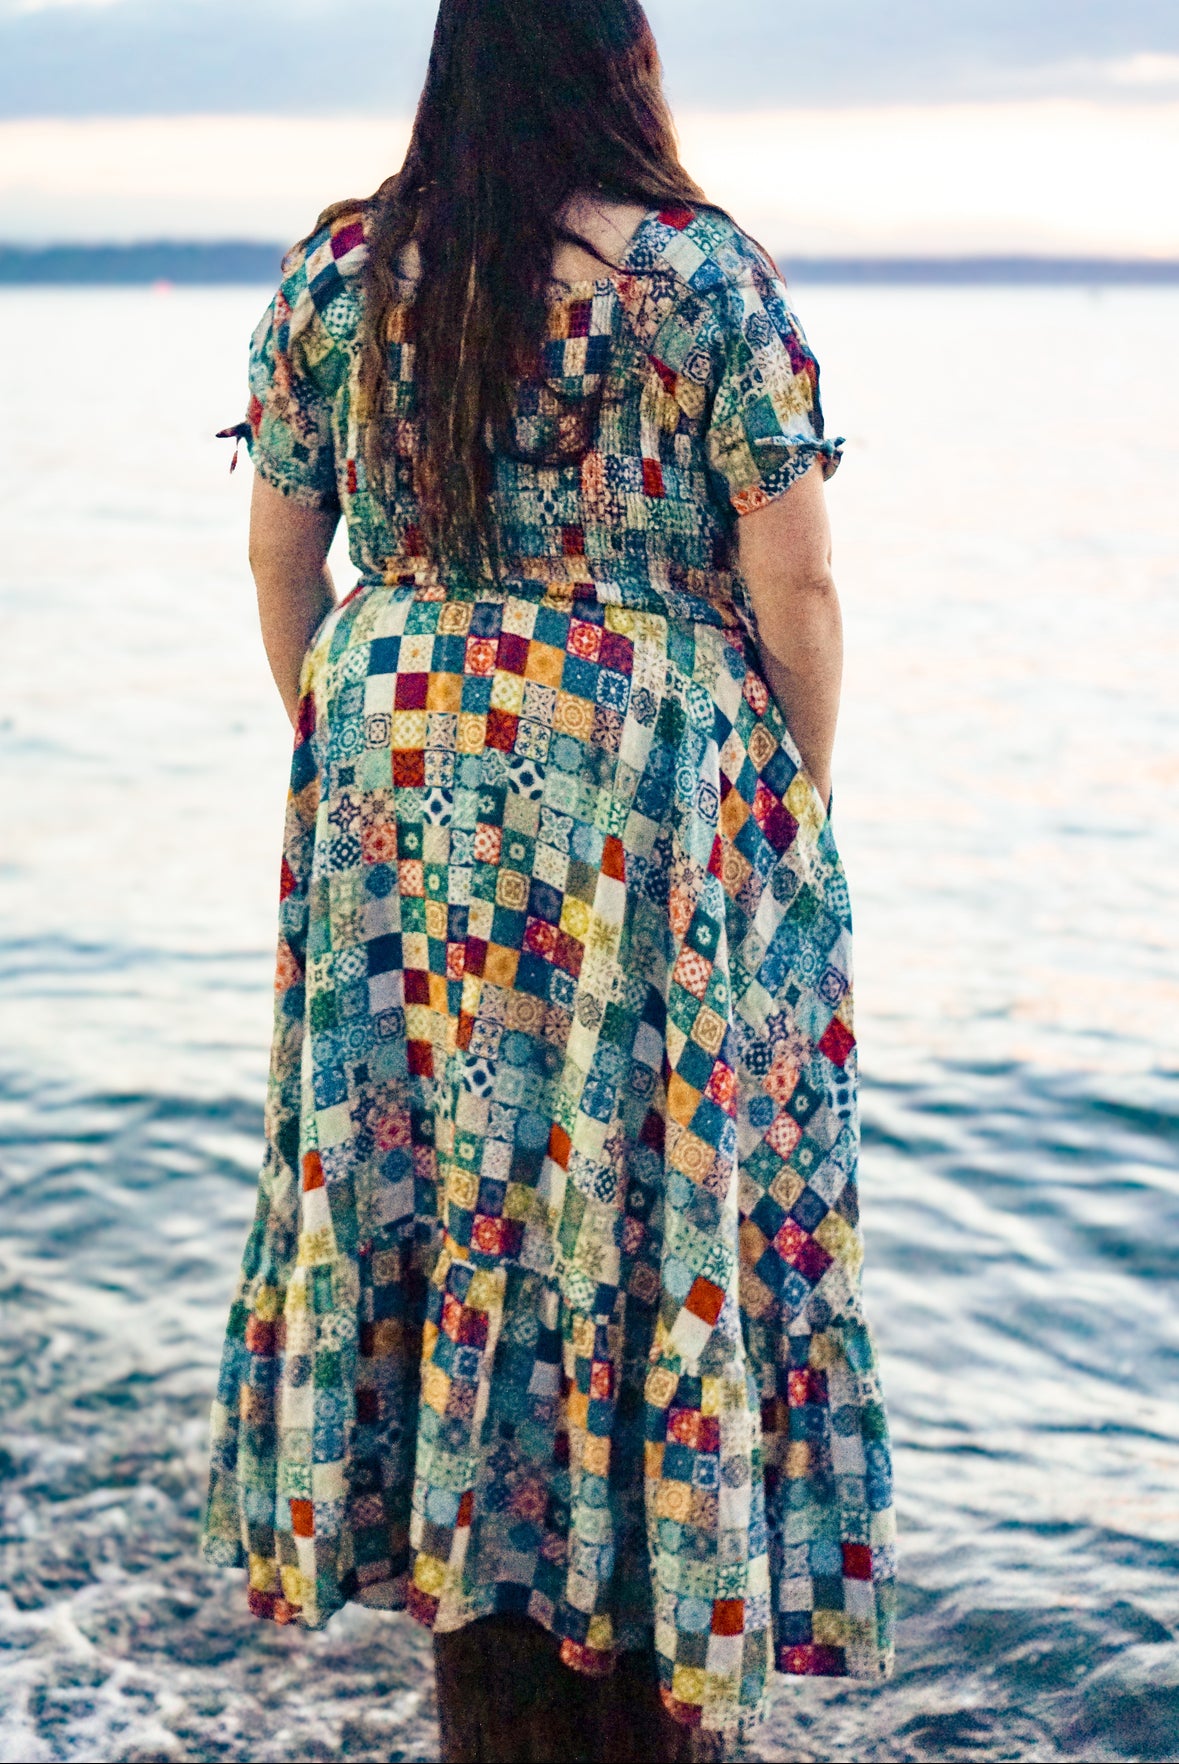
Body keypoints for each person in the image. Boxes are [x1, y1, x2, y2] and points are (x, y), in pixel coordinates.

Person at [201, 2, 896, 1757]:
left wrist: (353, 747)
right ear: (618, 61)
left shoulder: (343, 274)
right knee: (647, 1205)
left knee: (437, 1201)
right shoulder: (696, 279)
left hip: (400, 774)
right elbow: (794, 587)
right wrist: (781, 803)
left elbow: (286, 548)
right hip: (638, 792)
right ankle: (640, 1600)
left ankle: (463, 1571)